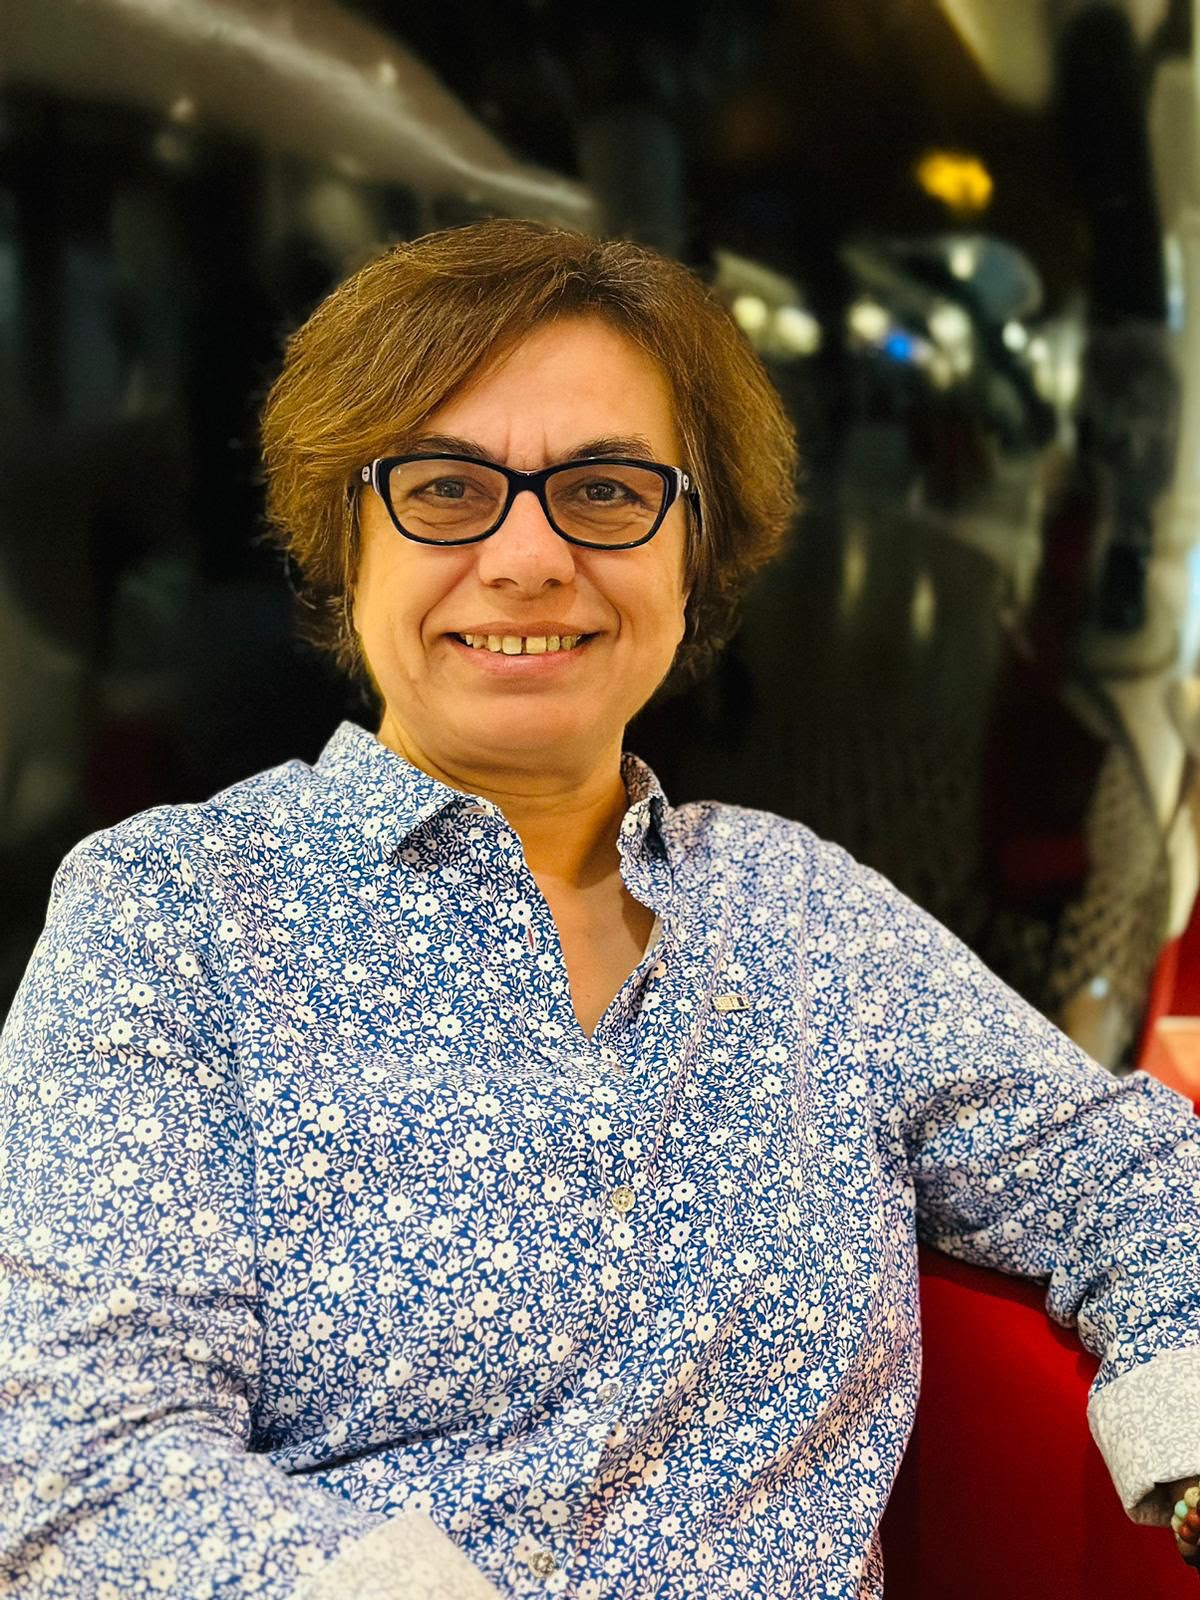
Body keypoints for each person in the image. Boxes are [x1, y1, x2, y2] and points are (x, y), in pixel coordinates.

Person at [1, 218, 1199, 1600]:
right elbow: (81, 1464)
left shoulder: (801, 914)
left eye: (608, 490)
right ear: (348, 539)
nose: (528, 557)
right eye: (447, 489)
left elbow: (1129, 1176)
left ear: (693, 551)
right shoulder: (173, 914)